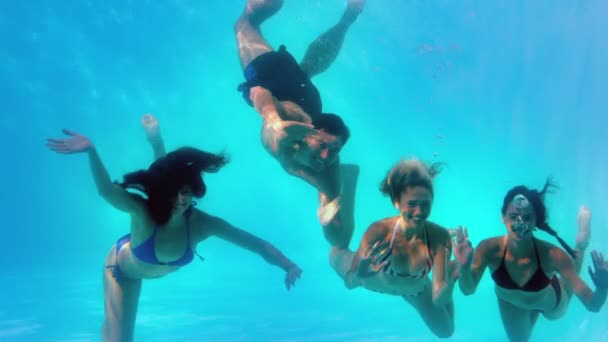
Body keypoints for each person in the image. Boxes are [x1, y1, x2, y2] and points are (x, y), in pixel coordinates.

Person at [46, 128, 302, 342]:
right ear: (163, 191)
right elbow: (106, 191)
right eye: (174, 192)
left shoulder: (203, 224)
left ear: (195, 191)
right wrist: (91, 151)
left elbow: (253, 243)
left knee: (115, 334)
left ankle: (110, 329)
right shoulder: (143, 211)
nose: (181, 200)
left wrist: (287, 265)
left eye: (187, 192)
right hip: (121, 270)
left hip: (143, 266)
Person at [234, 0, 365, 248]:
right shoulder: (287, 128)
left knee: (305, 72)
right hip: (274, 79)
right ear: (310, 134)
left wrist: (330, 212)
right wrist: (272, 119)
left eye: (334, 151)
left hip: (309, 100)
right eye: (325, 147)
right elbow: (260, 92)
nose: (327, 157)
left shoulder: (327, 162)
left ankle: (347, 20)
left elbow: (337, 237)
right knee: (245, 24)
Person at [453, 179, 608, 342]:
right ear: (503, 217)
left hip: (550, 303)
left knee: (567, 285)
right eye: (513, 216)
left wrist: (603, 288)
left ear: (536, 222)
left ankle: (581, 243)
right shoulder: (489, 249)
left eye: (527, 218)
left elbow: (593, 305)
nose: (520, 223)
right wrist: (464, 268)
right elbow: (467, 289)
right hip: (512, 304)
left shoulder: (552, 255)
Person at [329, 159, 458, 338]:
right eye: (412, 204)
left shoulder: (439, 238)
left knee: (446, 331)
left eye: (425, 204)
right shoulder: (379, 232)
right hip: (369, 280)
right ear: (396, 202)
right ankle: (346, 181)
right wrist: (361, 272)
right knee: (336, 252)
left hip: (414, 290)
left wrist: (449, 283)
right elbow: (350, 284)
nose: (419, 212)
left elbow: (439, 298)